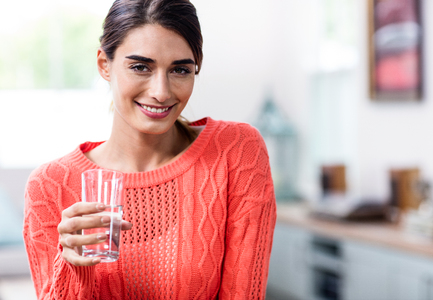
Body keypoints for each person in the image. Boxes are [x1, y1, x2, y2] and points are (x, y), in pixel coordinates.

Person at [23, 0, 277, 299]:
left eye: (180, 70)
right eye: (140, 66)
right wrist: (74, 268)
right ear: (105, 65)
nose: (161, 92)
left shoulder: (235, 151)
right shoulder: (50, 186)